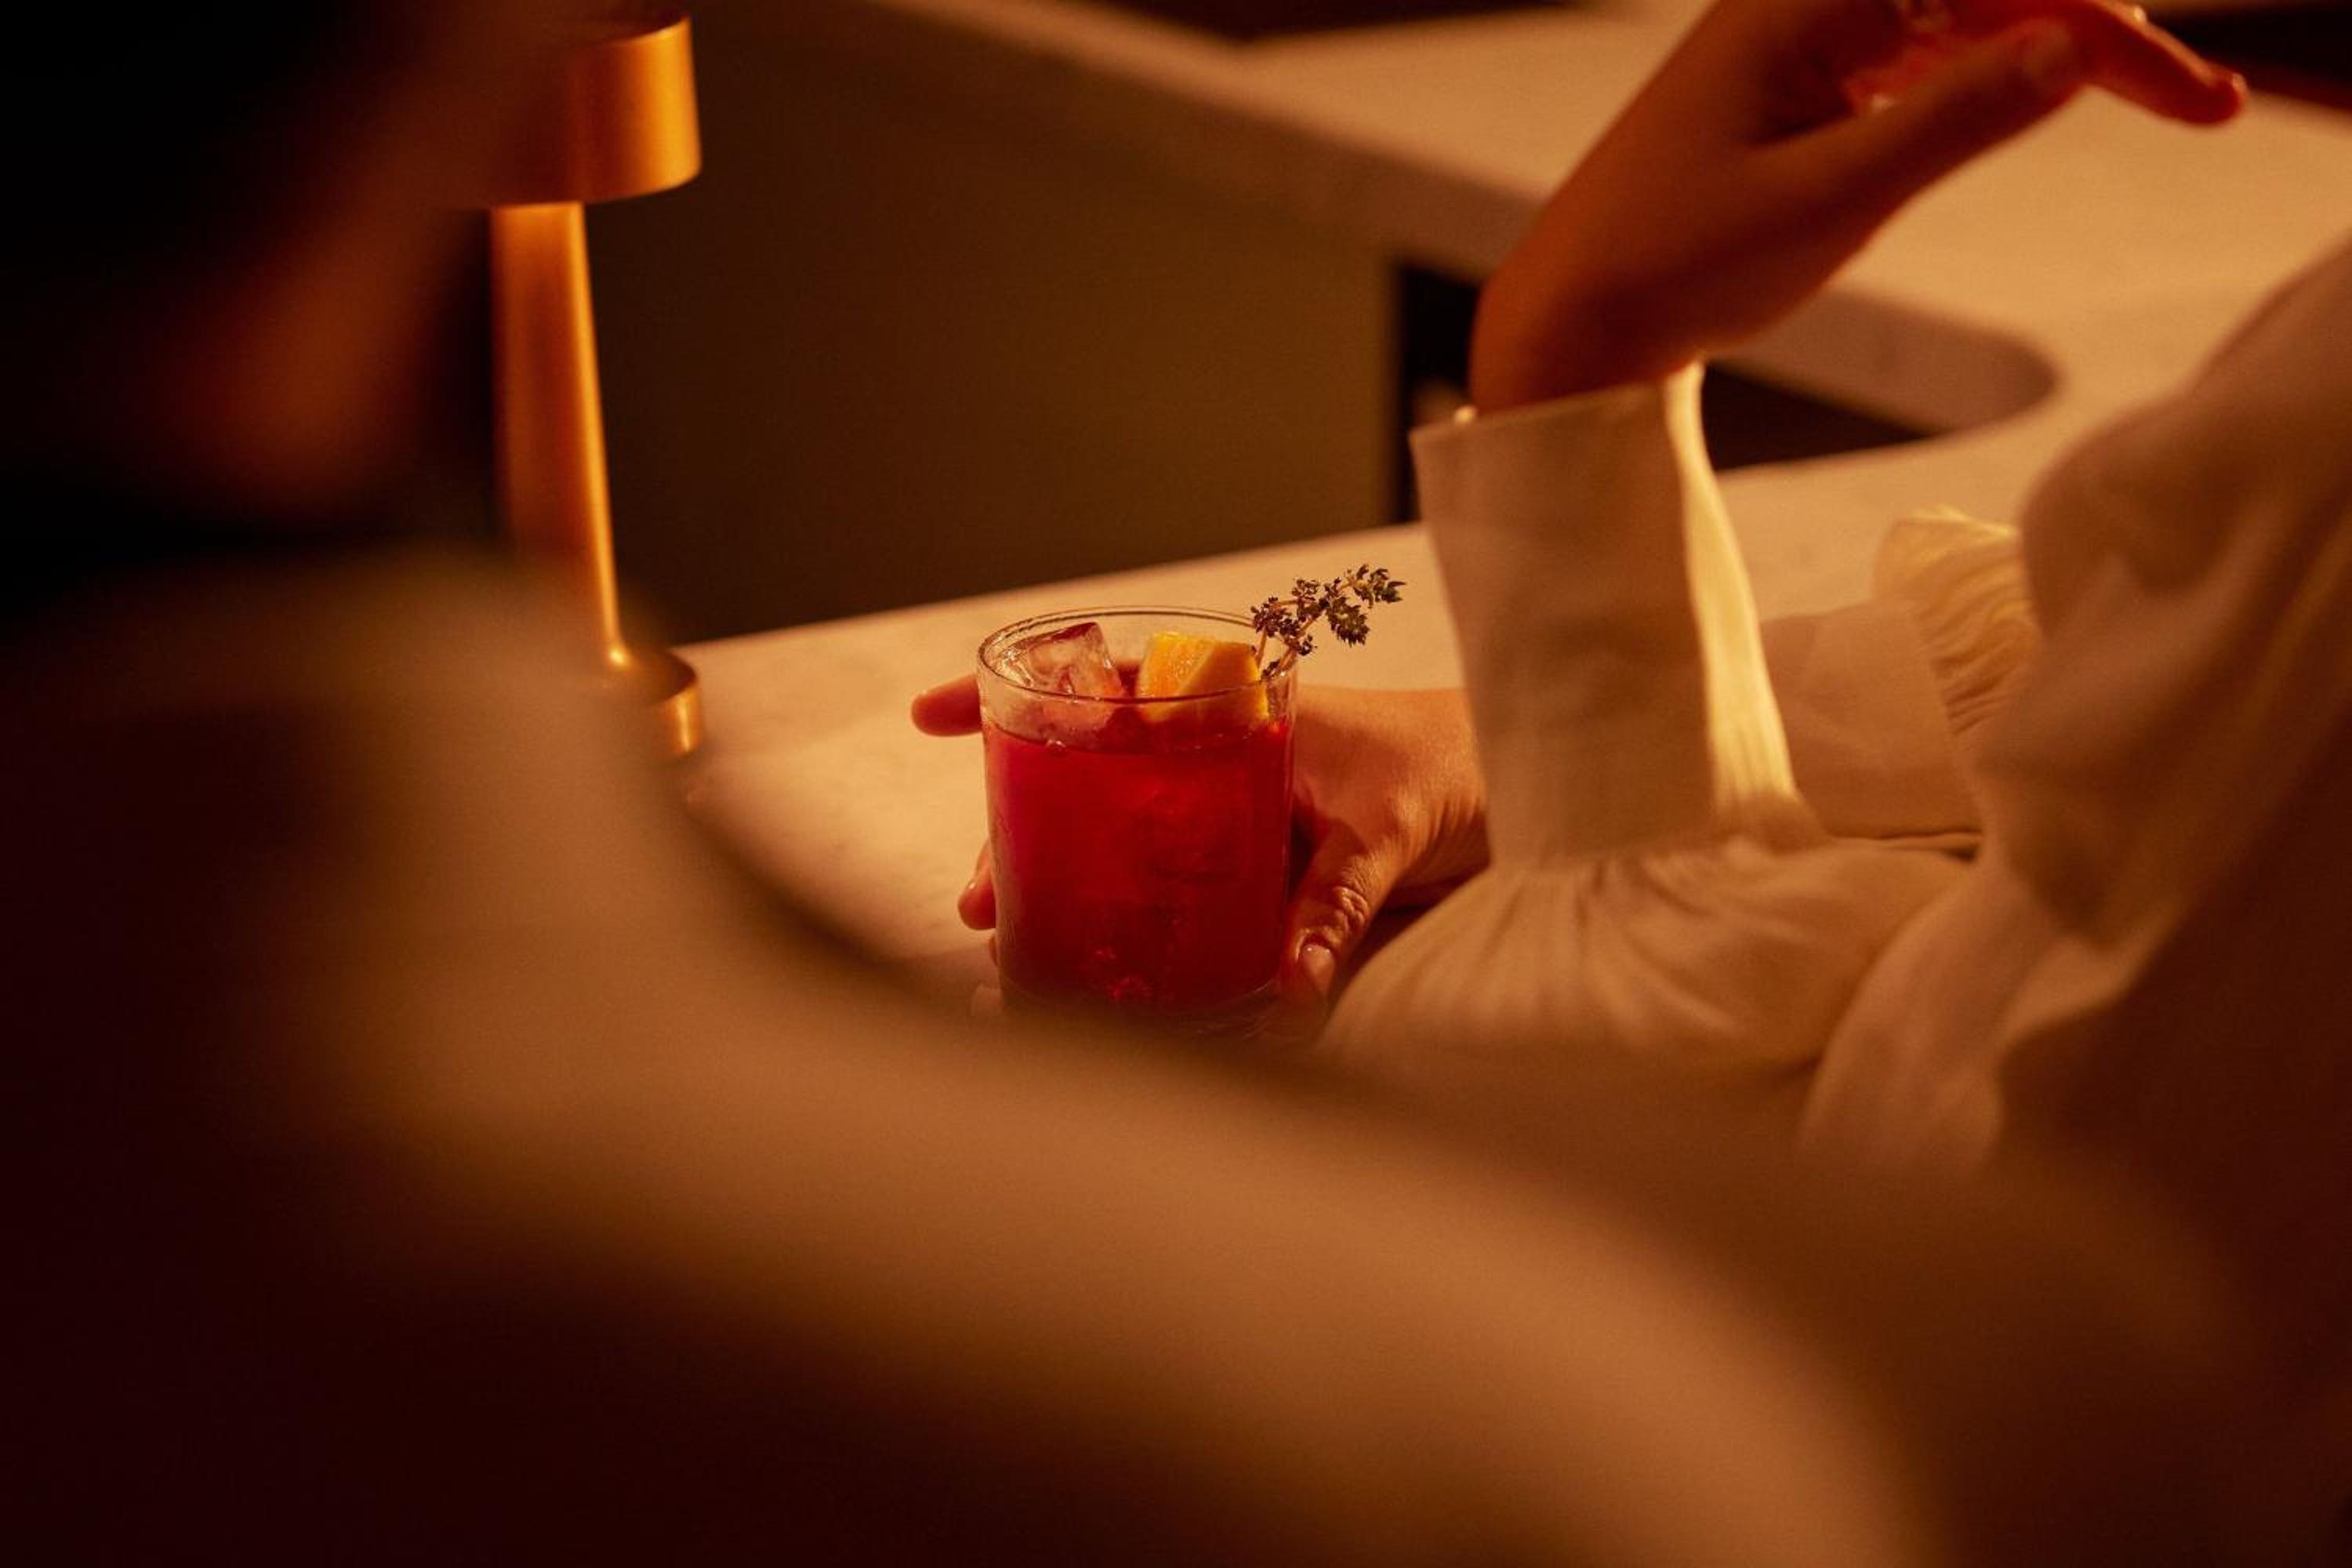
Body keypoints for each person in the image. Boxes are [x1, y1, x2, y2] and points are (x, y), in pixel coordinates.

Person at [10, 0, 2336, 1559]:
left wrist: (1585, 443)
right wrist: (1532, 702)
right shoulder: (1640, 1433)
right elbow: (2141, 681)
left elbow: (1998, 1132)